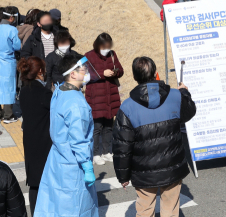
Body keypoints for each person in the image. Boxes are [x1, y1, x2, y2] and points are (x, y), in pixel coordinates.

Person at [113, 57, 196, 217]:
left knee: (144, 210)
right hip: (172, 166)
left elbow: (122, 146)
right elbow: (189, 112)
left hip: (143, 171)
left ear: (135, 77)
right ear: (156, 73)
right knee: (170, 209)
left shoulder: (127, 107)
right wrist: (184, 92)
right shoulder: (175, 96)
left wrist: (123, 176)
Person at [34, 54, 98, 217]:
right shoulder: (76, 103)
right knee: (76, 207)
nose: (87, 73)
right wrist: (87, 165)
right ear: (73, 74)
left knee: (56, 205)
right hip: (73, 163)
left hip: (57, 159)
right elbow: (79, 139)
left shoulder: (60, 91)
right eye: (84, 70)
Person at [18, 56, 53, 215]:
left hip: (30, 140)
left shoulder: (24, 90)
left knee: (34, 182)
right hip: (45, 142)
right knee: (47, 180)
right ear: (40, 71)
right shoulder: (44, 92)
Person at [84, 33, 124, 165]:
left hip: (110, 95)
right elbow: (85, 75)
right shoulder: (88, 56)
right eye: (104, 47)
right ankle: (95, 153)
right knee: (96, 127)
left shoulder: (112, 54)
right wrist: (103, 74)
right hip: (96, 97)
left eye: (108, 46)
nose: (106, 49)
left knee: (108, 126)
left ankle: (107, 151)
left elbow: (121, 70)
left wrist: (116, 72)